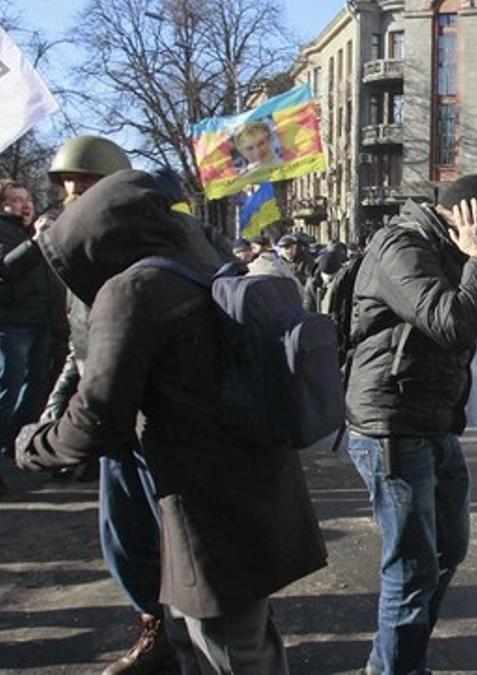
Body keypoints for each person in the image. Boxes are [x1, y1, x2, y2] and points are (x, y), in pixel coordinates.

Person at [16, 170, 327, 675]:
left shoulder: (133, 289)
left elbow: (98, 415)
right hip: (250, 482)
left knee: (228, 651)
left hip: (202, 502)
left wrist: (33, 445)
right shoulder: (205, 261)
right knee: (231, 638)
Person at [344, 175, 477, 674]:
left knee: (449, 547)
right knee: (412, 569)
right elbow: (454, 323)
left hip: (435, 420)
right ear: (470, 221)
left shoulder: (454, 249)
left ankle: (395, 661)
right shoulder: (401, 245)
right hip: (391, 423)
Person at [0, 179, 60, 498]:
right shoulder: (6, 232)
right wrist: (36, 242)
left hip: (41, 321)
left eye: (27, 199)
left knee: (36, 387)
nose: (25, 205)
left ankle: (15, 446)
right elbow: (7, 269)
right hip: (12, 324)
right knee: (8, 387)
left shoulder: (27, 233)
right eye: (15, 200)